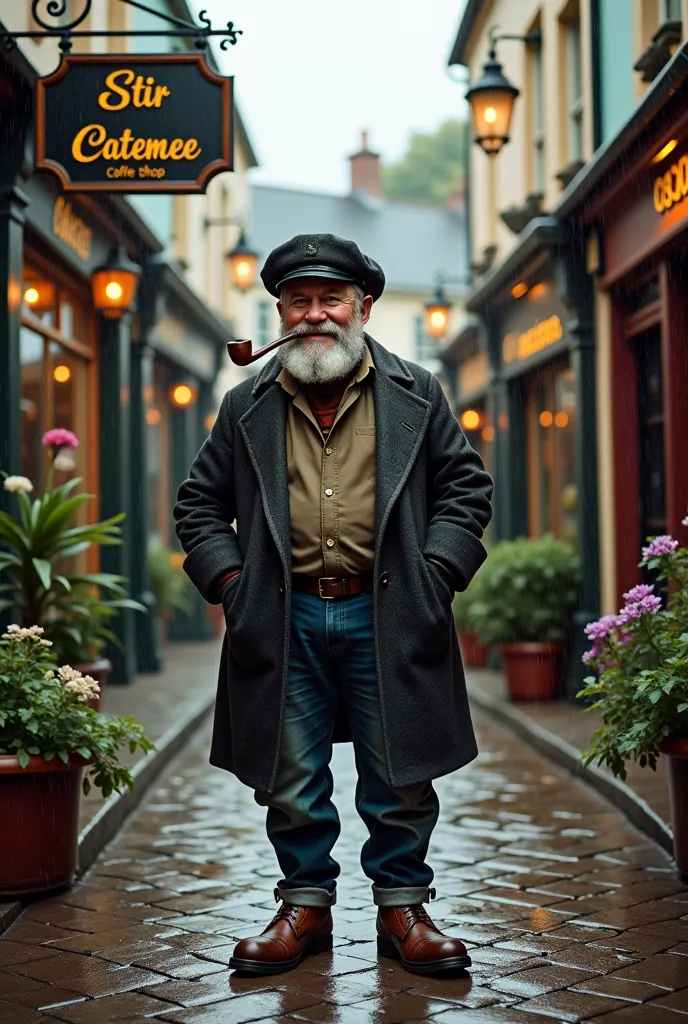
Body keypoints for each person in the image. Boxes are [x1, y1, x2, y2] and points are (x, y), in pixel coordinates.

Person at [173, 232, 493, 976]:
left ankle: (404, 908)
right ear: (280, 311)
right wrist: (232, 586)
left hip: (390, 611)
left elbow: (466, 491)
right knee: (289, 773)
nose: (315, 315)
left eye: (331, 300)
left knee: (401, 769)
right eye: (299, 301)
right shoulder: (245, 402)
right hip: (280, 618)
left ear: (364, 307)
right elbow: (198, 505)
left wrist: (435, 573)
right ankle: (305, 907)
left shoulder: (419, 391)